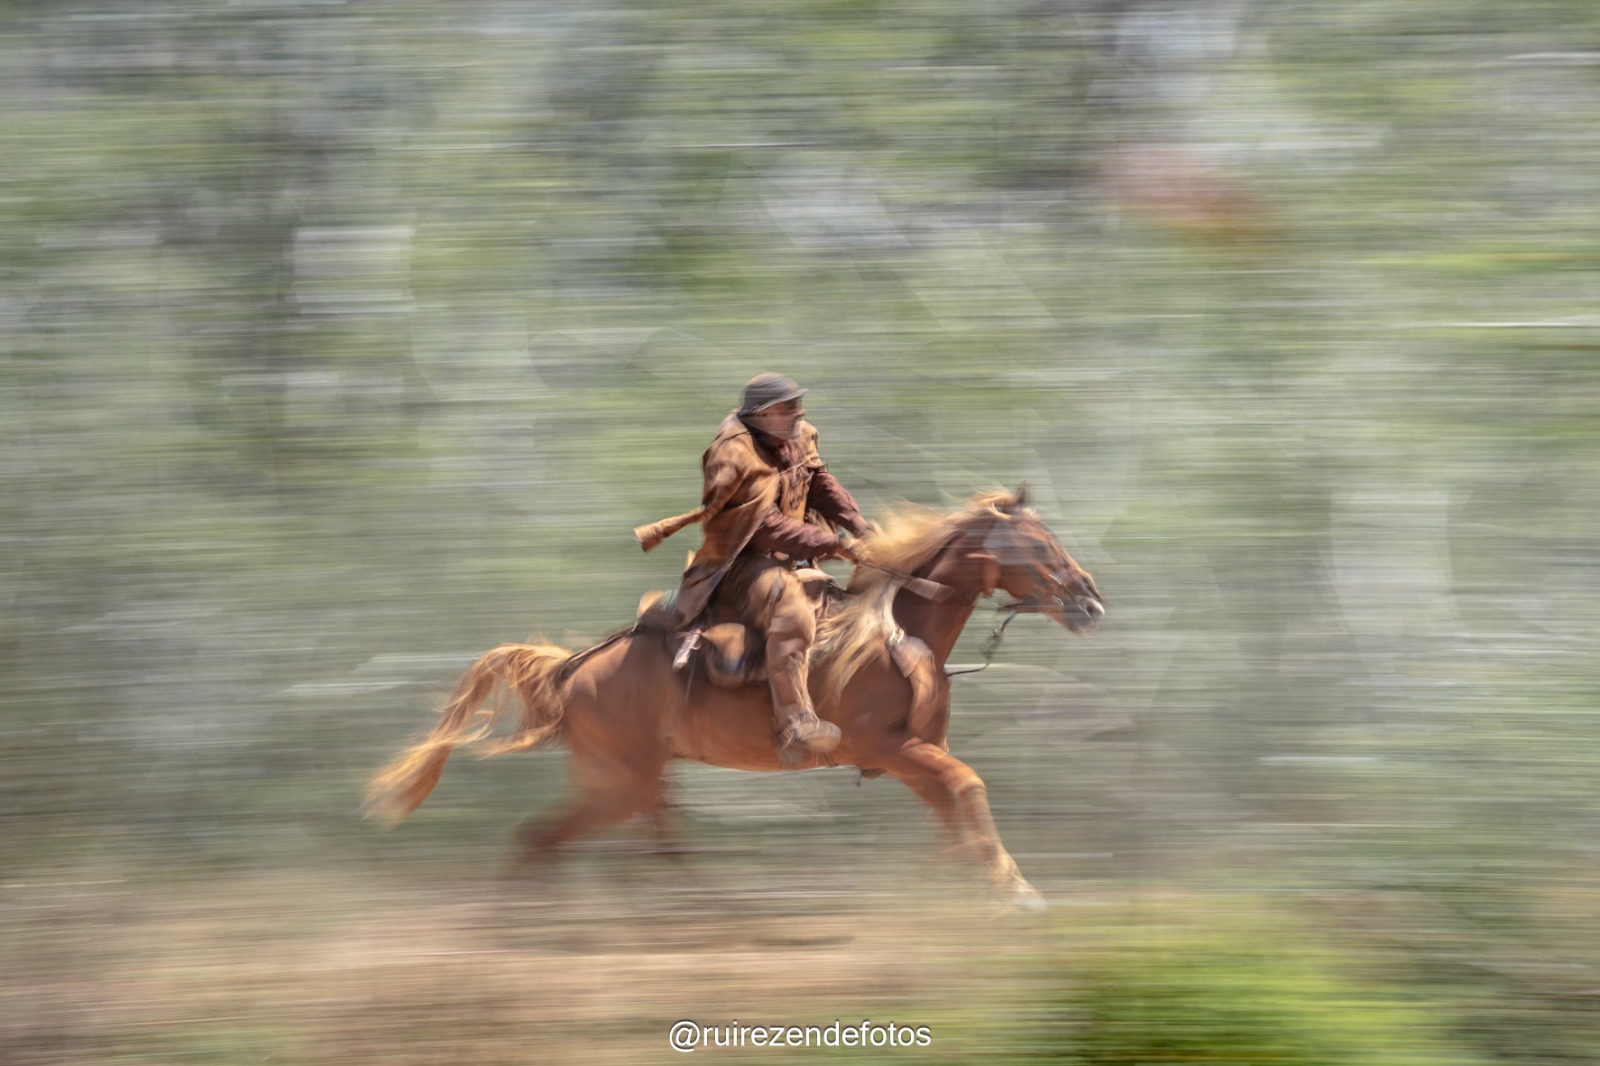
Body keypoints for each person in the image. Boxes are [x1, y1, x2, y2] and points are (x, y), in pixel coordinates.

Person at [635, 373, 873, 760]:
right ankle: (794, 722)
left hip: (793, 554)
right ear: (763, 415)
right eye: (789, 407)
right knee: (792, 610)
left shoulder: (798, 433)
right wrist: (835, 543)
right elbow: (763, 528)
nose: (800, 412)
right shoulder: (731, 456)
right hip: (738, 566)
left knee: (851, 608)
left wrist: (859, 524)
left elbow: (818, 483)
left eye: (799, 405)